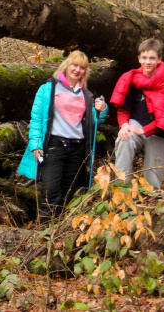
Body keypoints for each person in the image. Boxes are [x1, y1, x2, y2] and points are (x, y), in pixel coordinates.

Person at [16, 51, 108, 222]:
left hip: (77, 147)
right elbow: (36, 118)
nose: (77, 70)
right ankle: (44, 230)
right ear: (66, 65)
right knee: (50, 189)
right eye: (74, 65)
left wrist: (102, 110)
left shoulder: (86, 95)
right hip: (53, 145)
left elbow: (93, 123)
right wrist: (35, 144)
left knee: (68, 190)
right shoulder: (48, 88)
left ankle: (57, 229)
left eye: (82, 67)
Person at [109, 38, 164, 189]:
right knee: (123, 140)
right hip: (137, 124)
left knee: (152, 183)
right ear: (139, 58)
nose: (148, 62)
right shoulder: (132, 78)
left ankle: (151, 201)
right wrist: (123, 126)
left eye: (152, 58)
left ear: (159, 59)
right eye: (144, 58)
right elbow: (124, 109)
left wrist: (144, 130)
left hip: (160, 132)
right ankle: (121, 189)